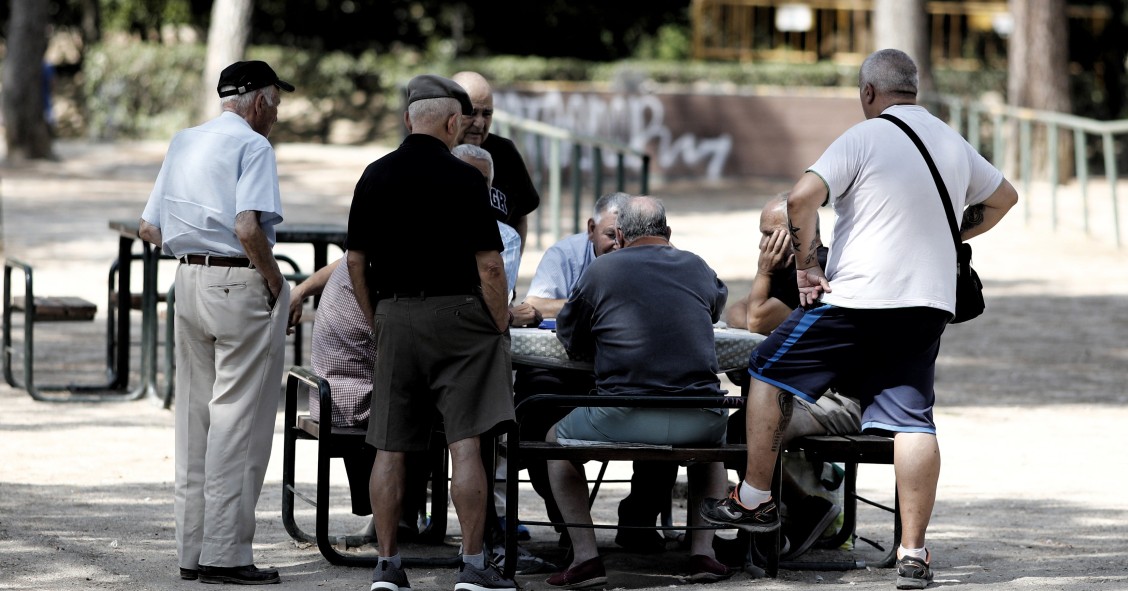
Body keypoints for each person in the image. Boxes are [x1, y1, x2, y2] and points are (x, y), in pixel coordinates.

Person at [699, 49, 1019, 591]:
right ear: (913, 89)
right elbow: (1004, 198)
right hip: (928, 303)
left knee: (767, 367)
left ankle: (753, 498)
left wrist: (804, 268)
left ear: (869, 92)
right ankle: (913, 554)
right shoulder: (949, 139)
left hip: (861, 299)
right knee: (913, 419)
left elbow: (801, 199)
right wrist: (949, 237)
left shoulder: (863, 136)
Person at [345, 74, 517, 591]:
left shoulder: (373, 176)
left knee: (390, 446)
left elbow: (354, 261)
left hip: (395, 315)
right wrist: (499, 323)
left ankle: (387, 565)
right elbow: (490, 265)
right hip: (460, 320)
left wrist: (377, 315)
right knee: (466, 443)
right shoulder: (466, 180)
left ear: (406, 121)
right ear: (451, 123)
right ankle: (470, 564)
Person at [138, 60, 294, 585]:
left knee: (194, 419)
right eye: (275, 102)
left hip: (187, 283)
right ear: (257, 102)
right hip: (239, 282)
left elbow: (148, 227)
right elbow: (248, 226)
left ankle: (191, 550)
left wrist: (195, 245)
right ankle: (226, 555)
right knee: (238, 423)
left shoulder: (185, 140)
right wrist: (273, 279)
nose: (275, 113)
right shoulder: (253, 146)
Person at [546, 196, 733, 588]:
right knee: (712, 451)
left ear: (622, 235)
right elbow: (714, 309)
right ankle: (704, 553)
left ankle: (585, 558)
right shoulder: (697, 265)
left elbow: (572, 337)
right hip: (698, 417)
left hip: (622, 416)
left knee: (553, 443)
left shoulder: (602, 270)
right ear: (668, 232)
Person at [516, 191, 679, 555]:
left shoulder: (642, 261)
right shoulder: (568, 255)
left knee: (666, 405)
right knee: (536, 415)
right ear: (591, 229)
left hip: (628, 377)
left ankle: (638, 520)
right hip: (563, 375)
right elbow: (536, 304)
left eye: (625, 235)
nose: (619, 244)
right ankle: (569, 526)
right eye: (610, 235)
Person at [722, 194, 862, 561]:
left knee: (742, 431)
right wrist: (763, 289)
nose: (762, 244)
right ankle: (772, 525)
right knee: (743, 424)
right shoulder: (793, 272)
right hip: (811, 394)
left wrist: (763, 274)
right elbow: (739, 311)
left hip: (840, 400)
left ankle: (803, 512)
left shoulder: (821, 272)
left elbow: (754, 319)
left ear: (798, 233)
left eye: (770, 234)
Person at [451, 71, 541, 251]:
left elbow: (520, 216)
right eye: (471, 112)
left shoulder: (505, 153)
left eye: (487, 114)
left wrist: (512, 267)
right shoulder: (433, 152)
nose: (479, 123)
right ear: (451, 112)